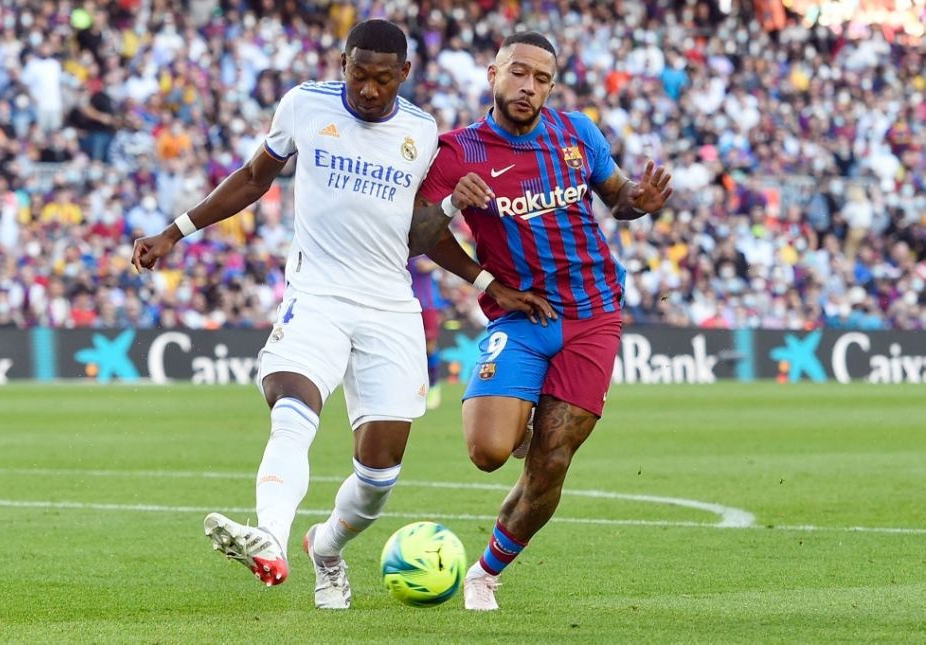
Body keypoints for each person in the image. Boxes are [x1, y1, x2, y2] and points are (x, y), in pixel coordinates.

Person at [131, 19, 444, 610]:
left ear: (405, 74)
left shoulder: (424, 132)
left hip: (389, 308)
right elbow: (254, 179)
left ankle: (324, 547)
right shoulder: (304, 105)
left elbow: (424, 229)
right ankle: (269, 538)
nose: (369, 91)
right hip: (317, 296)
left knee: (379, 476)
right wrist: (175, 232)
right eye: (358, 75)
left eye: (383, 80)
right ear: (342, 63)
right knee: (292, 410)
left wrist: (483, 277)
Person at [414, 32, 673, 610]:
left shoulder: (576, 133)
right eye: (519, 73)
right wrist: (484, 273)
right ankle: (522, 421)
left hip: (593, 314)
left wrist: (640, 199)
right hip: (522, 313)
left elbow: (618, 199)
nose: (529, 87)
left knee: (552, 461)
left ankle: (486, 572)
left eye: (541, 79)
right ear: (493, 73)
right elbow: (418, 234)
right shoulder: (456, 151)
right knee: (486, 451)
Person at [406, 256, 445, 409]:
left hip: (428, 303)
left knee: (429, 346)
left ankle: (434, 386)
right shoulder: (403, 245)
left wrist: (432, 264)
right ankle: (412, 387)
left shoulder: (427, 245)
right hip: (406, 302)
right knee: (408, 346)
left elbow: (438, 260)